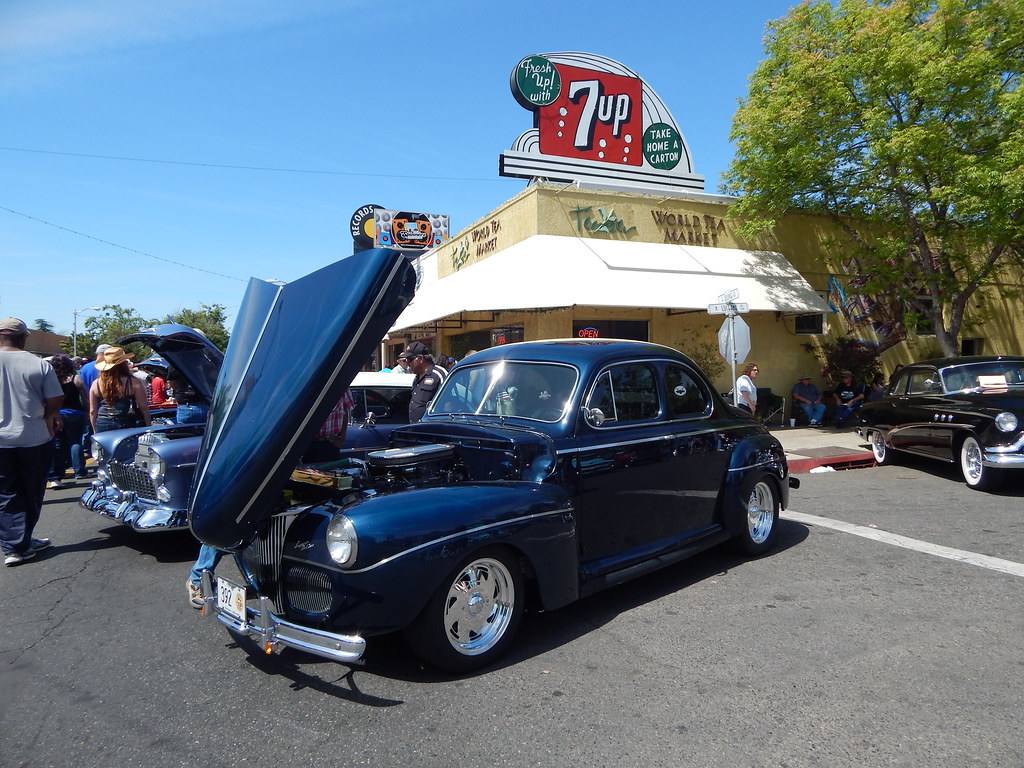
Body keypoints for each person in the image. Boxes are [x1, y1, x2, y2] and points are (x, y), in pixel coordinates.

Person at [186, 388, 357, 608]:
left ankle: (299, 580)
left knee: (312, 512)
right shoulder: (285, 387)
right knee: (236, 514)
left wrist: (340, 437)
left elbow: (345, 412)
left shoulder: (336, 382)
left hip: (325, 449)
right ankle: (198, 578)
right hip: (287, 450)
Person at [0, 318, 62, 566]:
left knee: (6, 494)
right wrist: (49, 415)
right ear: (24, 337)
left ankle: (18, 543)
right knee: (32, 491)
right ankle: (18, 544)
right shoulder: (38, 364)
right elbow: (55, 398)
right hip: (33, 436)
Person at [46, 354, 89, 487]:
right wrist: (87, 412)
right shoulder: (75, 378)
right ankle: (79, 470)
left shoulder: (51, 380)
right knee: (75, 442)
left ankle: (55, 476)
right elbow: (85, 397)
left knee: (57, 444)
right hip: (75, 413)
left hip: (56, 413)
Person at [89, 346, 151, 433]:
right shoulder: (133, 382)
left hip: (102, 422)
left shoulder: (96, 383)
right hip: (125, 422)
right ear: (123, 364)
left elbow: (92, 411)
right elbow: (143, 407)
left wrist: (95, 430)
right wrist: (148, 426)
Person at [399, 341, 446, 421]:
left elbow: (447, 403)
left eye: (409, 359)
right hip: (415, 428)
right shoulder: (417, 377)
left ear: (420, 359)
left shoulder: (438, 374)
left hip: (430, 429)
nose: (407, 363)